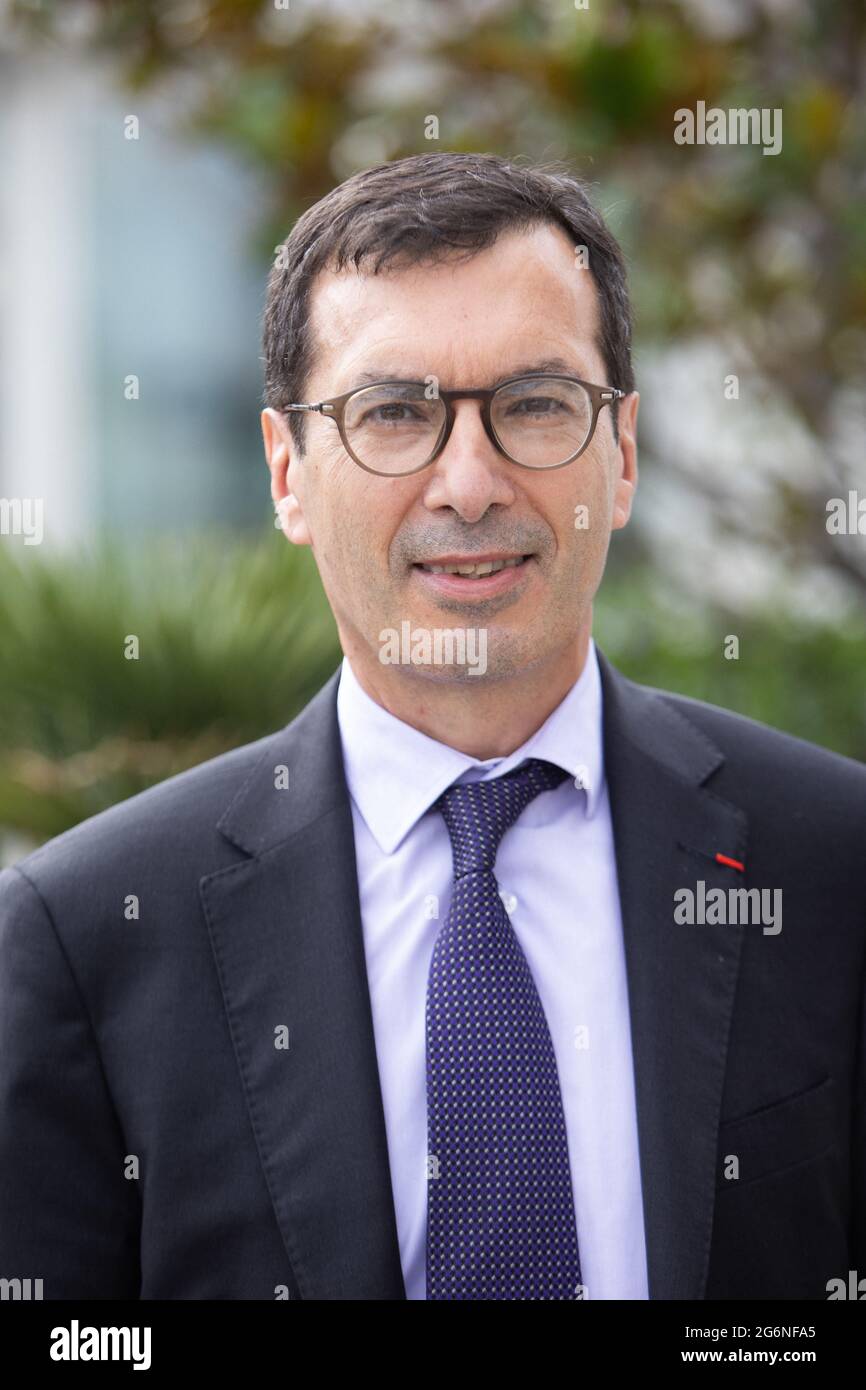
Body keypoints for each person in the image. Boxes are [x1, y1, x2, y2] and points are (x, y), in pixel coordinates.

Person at [0, 152, 863, 1301]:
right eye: (393, 413)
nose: (468, 481)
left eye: (535, 404)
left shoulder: (833, 862)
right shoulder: (92, 936)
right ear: (286, 472)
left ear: (622, 453)